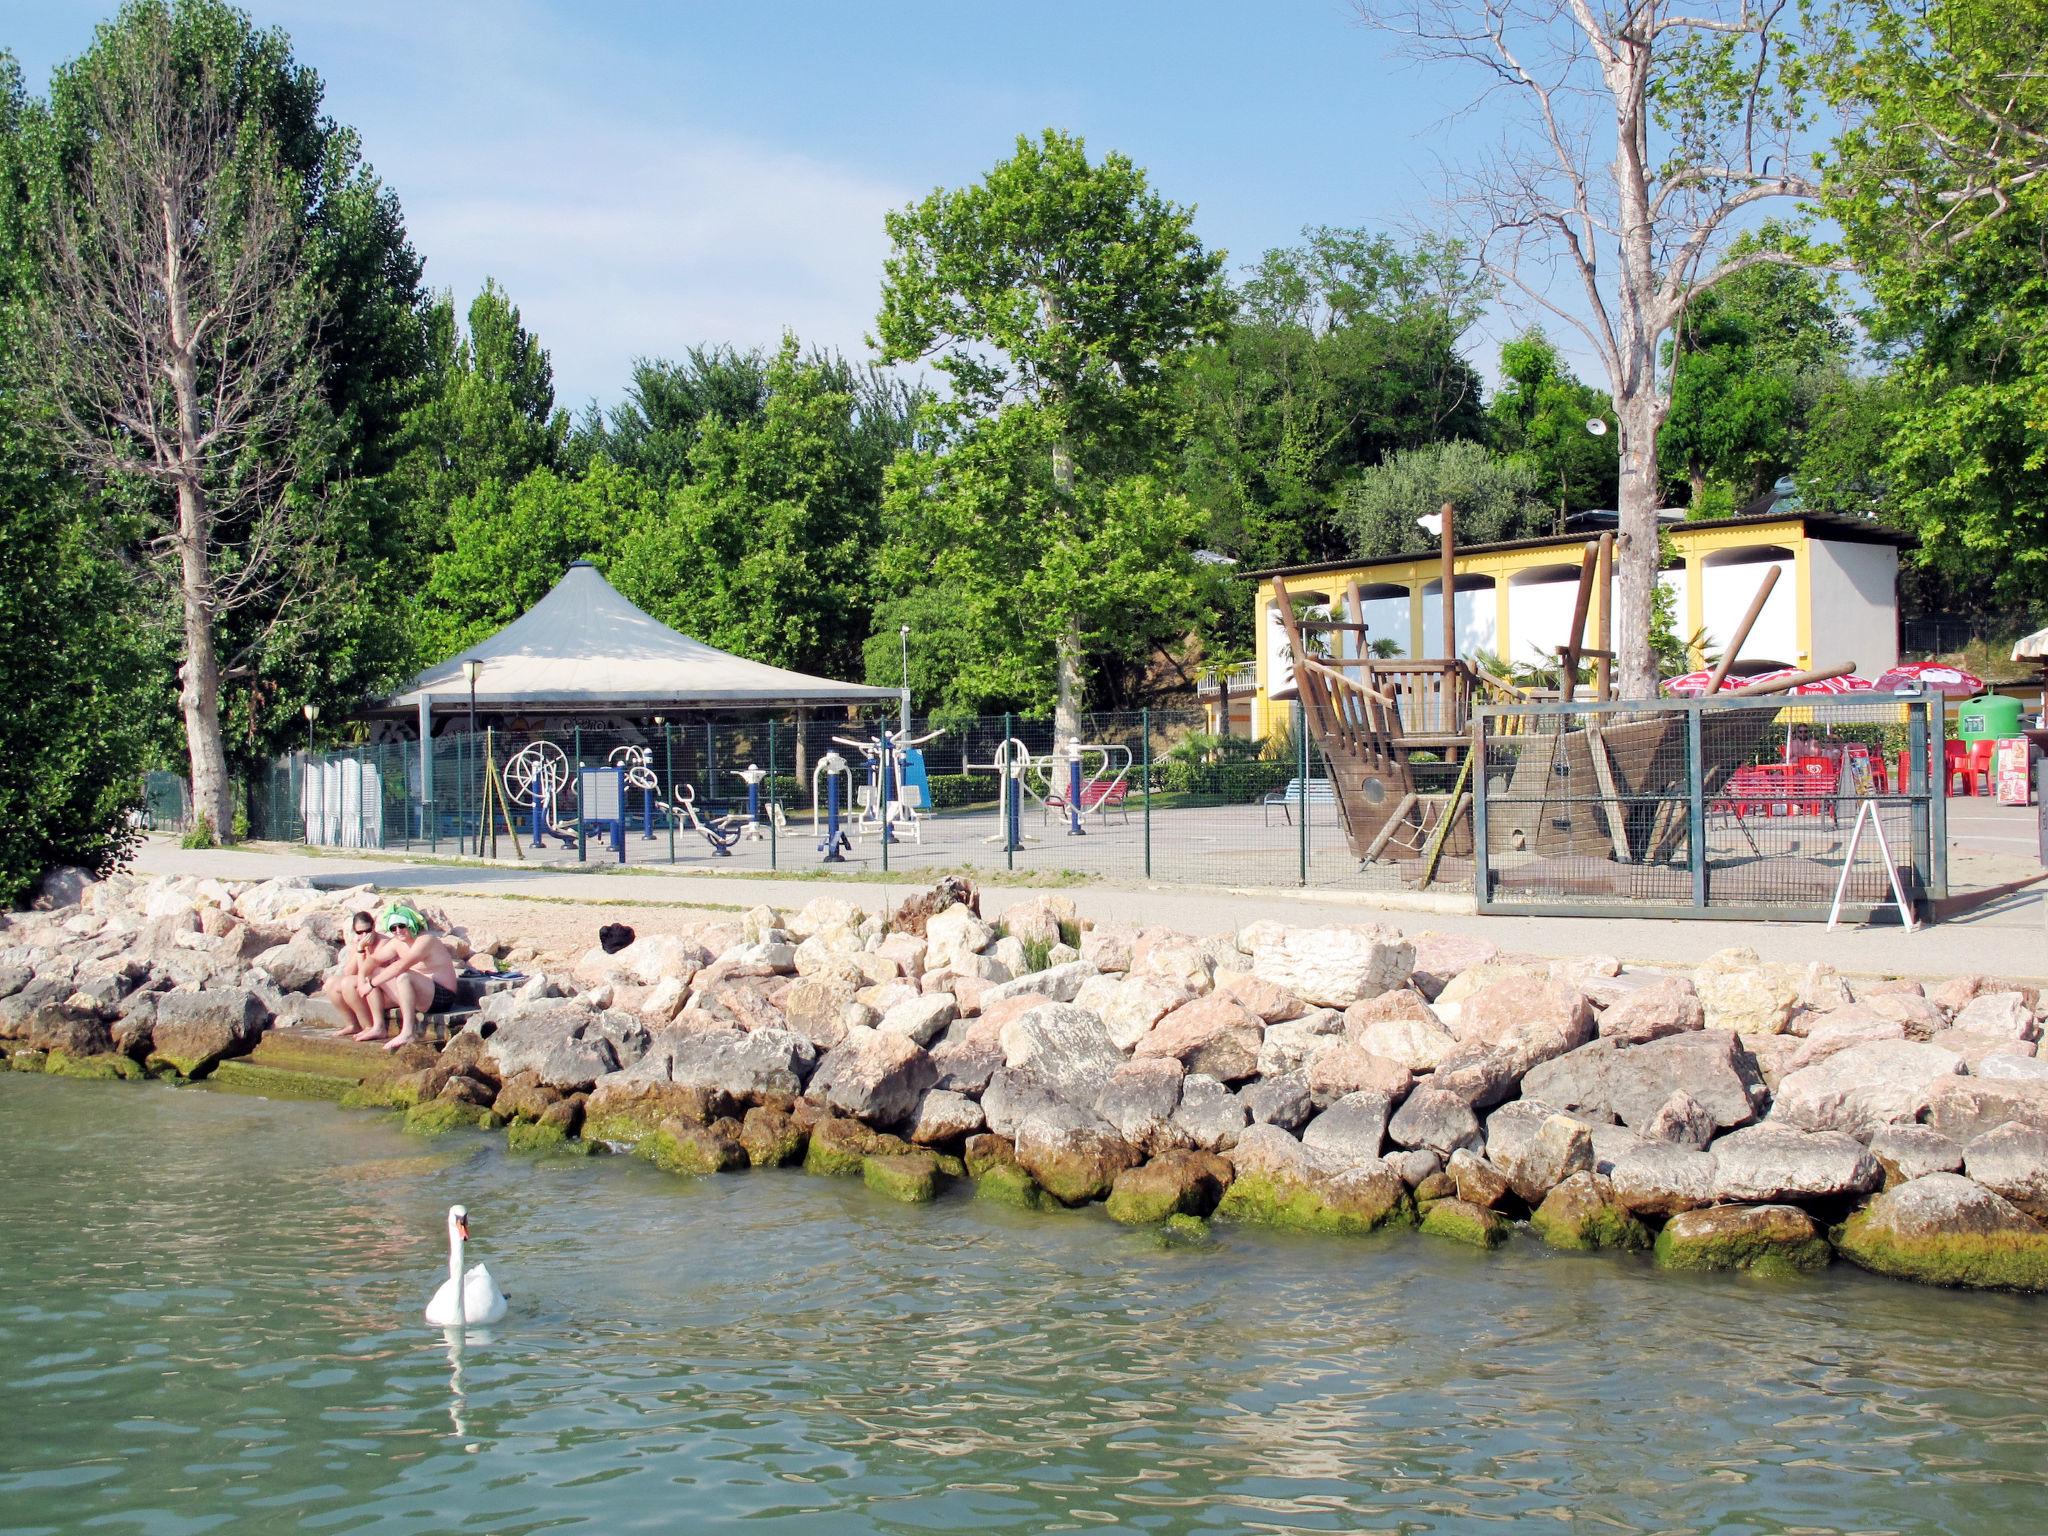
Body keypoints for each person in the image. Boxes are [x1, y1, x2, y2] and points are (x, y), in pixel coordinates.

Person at [359, 904, 465, 1053]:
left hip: (442, 998)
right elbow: (373, 960)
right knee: (374, 972)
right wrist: (362, 979)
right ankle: (378, 1027)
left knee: (403, 975)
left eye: (402, 926)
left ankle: (408, 1032)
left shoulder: (425, 940)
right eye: (393, 928)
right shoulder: (397, 942)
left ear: (411, 924)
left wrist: (370, 984)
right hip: (421, 995)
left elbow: (401, 966)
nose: (398, 931)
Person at [323, 911, 401, 1042]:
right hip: (370, 989)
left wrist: (361, 951)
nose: (364, 935)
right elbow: (349, 971)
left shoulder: (383, 943)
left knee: (348, 983)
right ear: (355, 931)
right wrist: (360, 949)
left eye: (367, 931)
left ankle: (369, 1026)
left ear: (374, 926)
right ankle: (352, 1024)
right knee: (331, 983)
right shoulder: (359, 943)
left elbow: (366, 972)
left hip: (387, 991)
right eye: (360, 933)